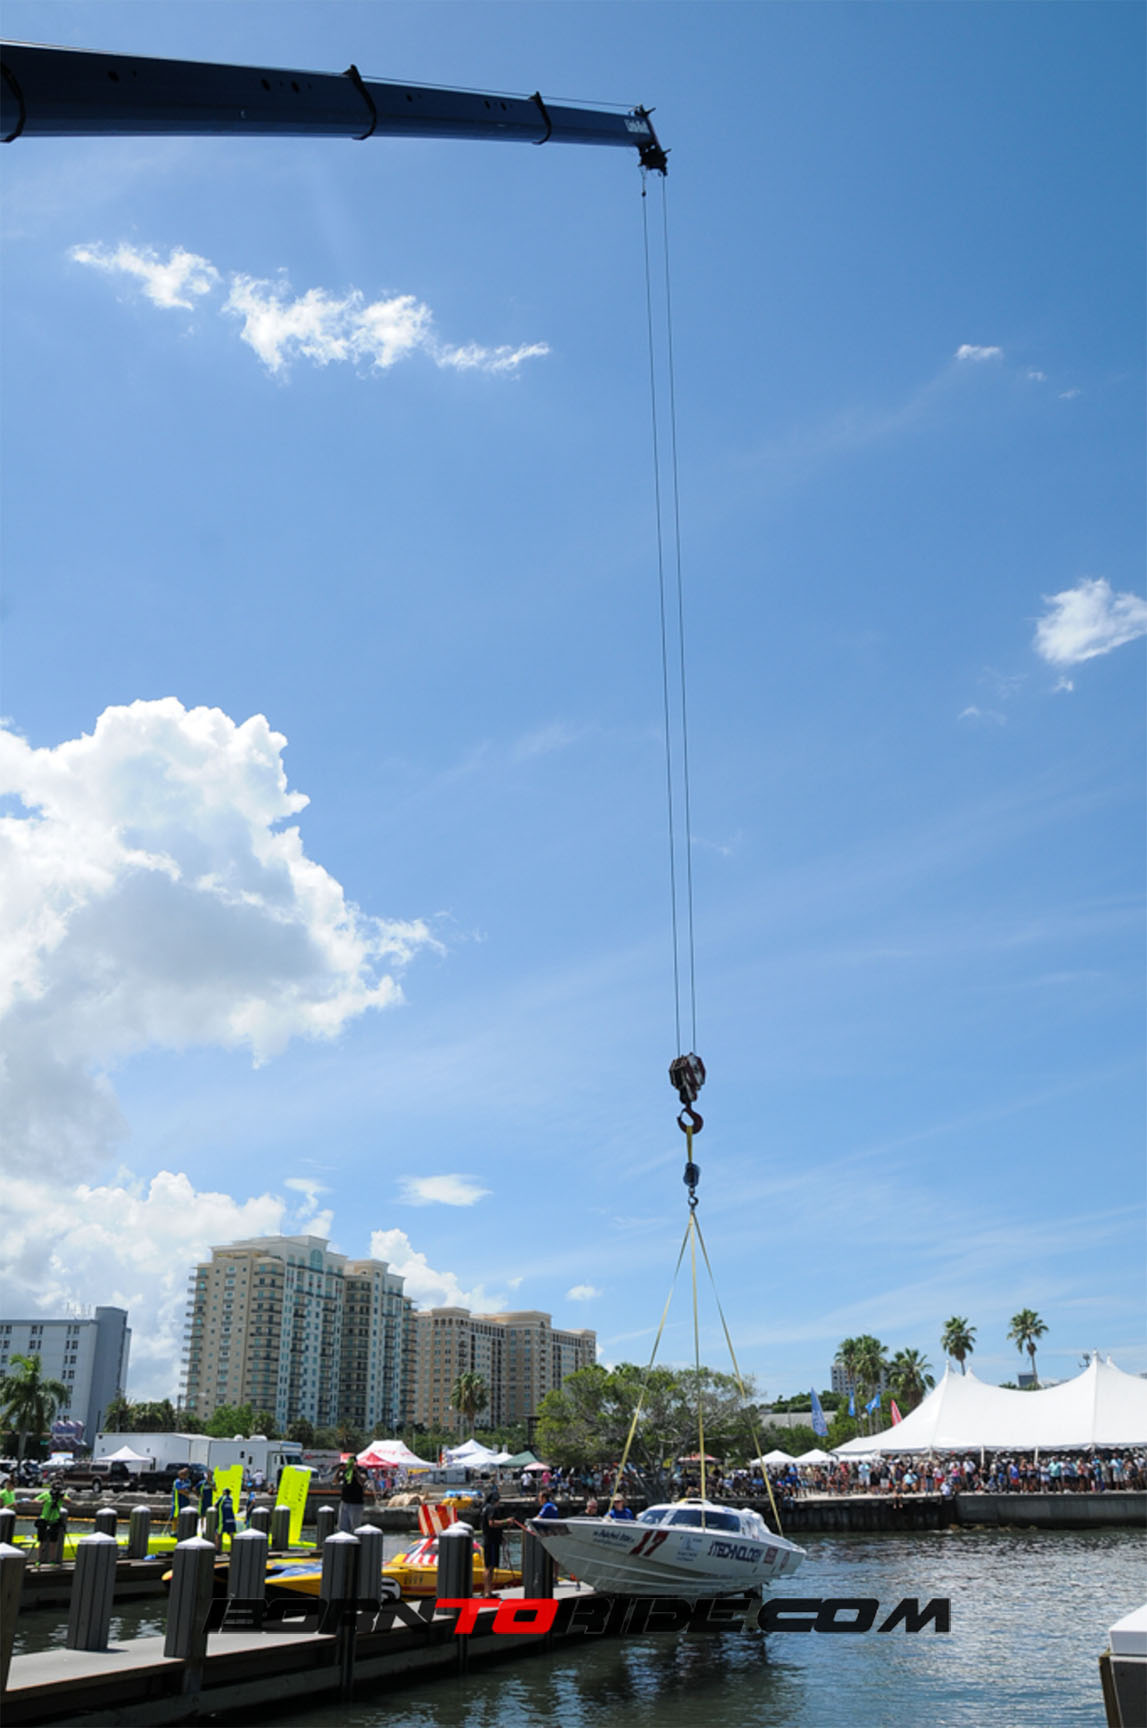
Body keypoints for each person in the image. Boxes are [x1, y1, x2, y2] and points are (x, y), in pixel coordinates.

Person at [35, 1479, 68, 1567]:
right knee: (41, 1541)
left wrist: (61, 1497)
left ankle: (52, 1560)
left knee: (53, 1542)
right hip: (44, 1519)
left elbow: (69, 1501)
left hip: (55, 1520)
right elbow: (35, 1500)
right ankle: (39, 1560)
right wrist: (41, 1501)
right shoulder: (47, 1494)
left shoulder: (61, 1495)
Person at [479, 1494, 507, 1596]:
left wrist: (501, 1536)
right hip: (491, 1541)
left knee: (489, 1566)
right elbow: (491, 1523)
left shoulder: (485, 1508)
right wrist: (506, 1521)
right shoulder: (491, 1508)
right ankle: (487, 1592)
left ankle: (488, 1591)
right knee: (489, 1567)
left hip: (489, 1539)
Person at [339, 1459, 366, 1533]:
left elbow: (362, 1481)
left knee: (355, 1529)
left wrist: (356, 1471)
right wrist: (339, 1469)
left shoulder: (361, 1470)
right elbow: (336, 1481)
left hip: (356, 1503)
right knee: (342, 1529)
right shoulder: (346, 1470)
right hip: (344, 1502)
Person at [216, 1487, 237, 1552]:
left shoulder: (222, 1498)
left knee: (218, 1534)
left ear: (225, 1492)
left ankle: (217, 1550)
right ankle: (234, 1549)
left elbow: (215, 1505)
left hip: (223, 1518)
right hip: (231, 1518)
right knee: (231, 1534)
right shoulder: (231, 1498)